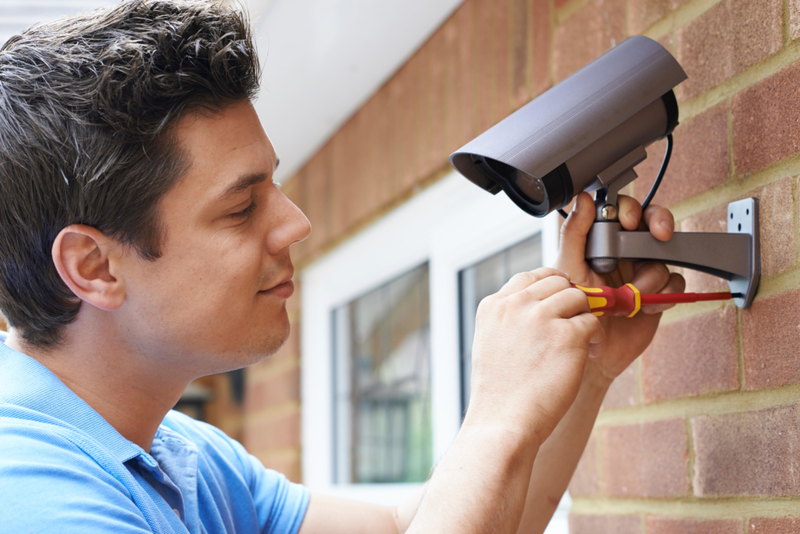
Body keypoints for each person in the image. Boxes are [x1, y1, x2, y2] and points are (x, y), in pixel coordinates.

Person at [0, 1, 684, 532]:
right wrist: (498, 420)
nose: (295, 223)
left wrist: (582, 364)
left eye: (274, 185)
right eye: (241, 209)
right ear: (93, 266)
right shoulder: (28, 493)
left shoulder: (183, 460)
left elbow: (418, 528)